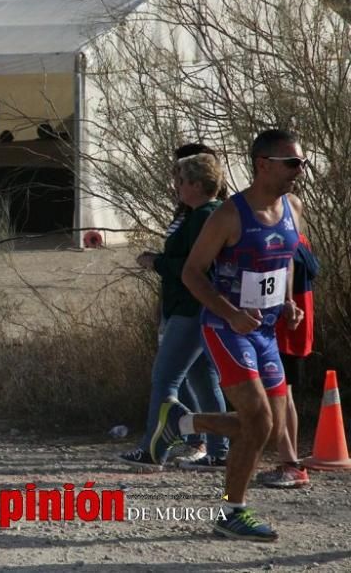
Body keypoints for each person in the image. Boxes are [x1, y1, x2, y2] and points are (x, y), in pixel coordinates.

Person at [152, 128, 307, 542]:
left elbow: (285, 259)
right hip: (226, 328)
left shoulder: (292, 205)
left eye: (301, 162)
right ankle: (232, 511)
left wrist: (288, 302)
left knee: (270, 430)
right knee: (257, 418)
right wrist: (232, 314)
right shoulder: (229, 215)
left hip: (266, 330)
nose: (299, 170)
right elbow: (191, 273)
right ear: (263, 165)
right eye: (292, 163)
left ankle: (181, 422)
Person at [118, 152, 229, 470]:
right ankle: (219, 450)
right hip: (201, 307)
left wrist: (157, 263)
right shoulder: (209, 213)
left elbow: (196, 266)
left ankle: (153, 449)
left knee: (164, 378)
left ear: (196, 184)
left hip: (191, 308)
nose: (176, 187)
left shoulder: (203, 216)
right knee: (204, 381)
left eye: (180, 181)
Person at [256, 233, 318, 488]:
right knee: (285, 394)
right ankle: (289, 462)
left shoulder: (282, 242)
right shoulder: (300, 240)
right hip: (296, 328)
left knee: (279, 395)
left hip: (283, 328)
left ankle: (290, 464)